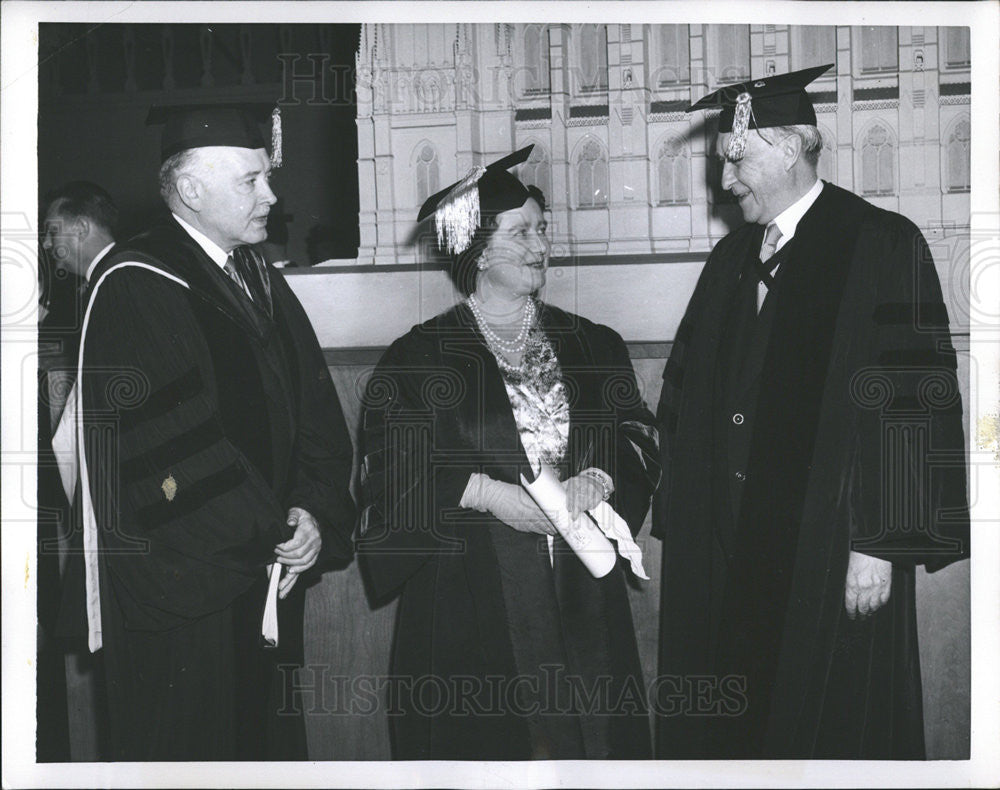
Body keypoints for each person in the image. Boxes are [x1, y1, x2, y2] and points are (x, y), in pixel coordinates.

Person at [653, 65, 970, 759]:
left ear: (792, 146)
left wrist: (880, 542)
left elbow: (914, 400)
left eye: (737, 158)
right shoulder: (729, 260)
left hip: (830, 548)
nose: (725, 179)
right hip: (730, 547)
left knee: (828, 722)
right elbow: (686, 398)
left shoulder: (880, 243)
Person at [56, 103, 356, 760]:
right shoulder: (136, 283)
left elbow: (317, 418)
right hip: (183, 602)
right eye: (251, 180)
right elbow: (173, 455)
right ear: (191, 190)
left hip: (260, 582)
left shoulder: (256, 279)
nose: (272, 196)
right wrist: (278, 531)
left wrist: (314, 511)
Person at [358, 146, 659, 760]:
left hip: (580, 581)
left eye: (541, 229)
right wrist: (486, 494)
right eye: (520, 232)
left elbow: (639, 431)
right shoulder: (419, 358)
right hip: (469, 593)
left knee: (589, 742)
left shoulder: (592, 344)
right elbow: (386, 470)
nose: (540, 245)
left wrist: (599, 479)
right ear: (475, 248)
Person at [37, 181, 119, 761]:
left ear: (83, 229)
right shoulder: (95, 287)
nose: (47, 245)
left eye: (54, 232)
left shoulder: (117, 285)